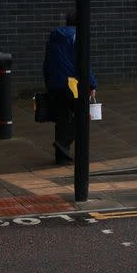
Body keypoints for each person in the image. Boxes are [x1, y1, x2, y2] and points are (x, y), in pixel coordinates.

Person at [43, 12, 97, 165]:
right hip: (72, 85)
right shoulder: (77, 37)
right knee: (83, 116)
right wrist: (92, 84)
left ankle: (61, 156)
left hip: (54, 83)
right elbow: (83, 63)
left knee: (62, 118)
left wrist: (48, 83)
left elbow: (47, 62)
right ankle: (63, 142)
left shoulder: (54, 36)